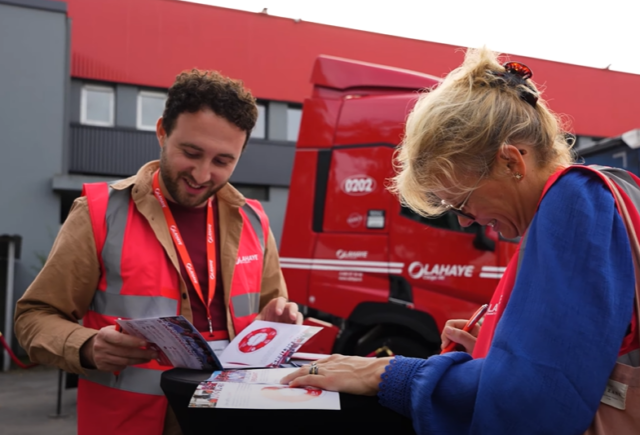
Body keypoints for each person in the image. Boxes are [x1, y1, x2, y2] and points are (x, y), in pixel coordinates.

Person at [282, 47, 640, 434]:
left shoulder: (572, 204)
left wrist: (393, 374)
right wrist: (499, 350)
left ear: (511, 162)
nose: (471, 222)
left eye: (464, 204)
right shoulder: (608, 190)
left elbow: (535, 397)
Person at [15, 69, 302, 435]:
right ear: (162, 131)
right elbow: (33, 317)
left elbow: (272, 310)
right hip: (132, 423)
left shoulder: (254, 219)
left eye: (222, 161)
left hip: (235, 416)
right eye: (191, 152)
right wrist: (86, 346)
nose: (201, 174)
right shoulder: (100, 212)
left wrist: (280, 322)